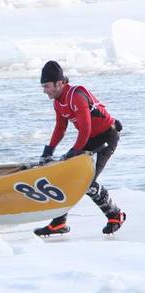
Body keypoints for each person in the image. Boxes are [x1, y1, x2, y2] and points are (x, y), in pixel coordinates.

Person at [34, 60, 126, 236]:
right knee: (67, 176)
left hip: (107, 137)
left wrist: (74, 151)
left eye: (46, 86)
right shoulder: (57, 102)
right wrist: (48, 150)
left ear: (60, 83)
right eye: (43, 86)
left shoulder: (76, 95)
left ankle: (115, 214)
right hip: (90, 138)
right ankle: (59, 223)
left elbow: (85, 129)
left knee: (86, 182)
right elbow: (60, 128)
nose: (44, 90)